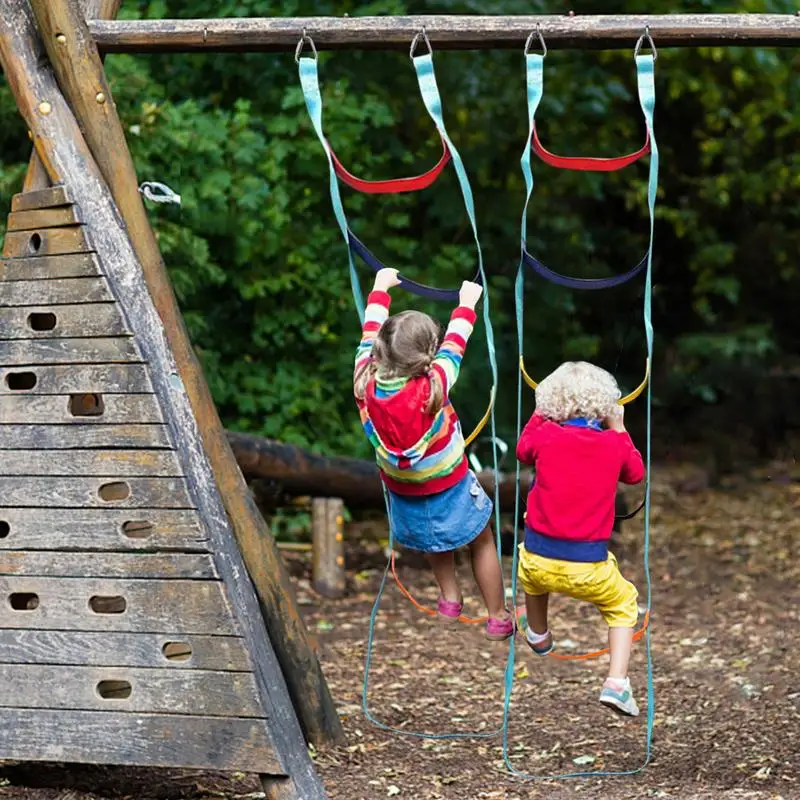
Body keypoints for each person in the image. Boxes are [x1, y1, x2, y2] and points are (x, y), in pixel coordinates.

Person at [354, 267, 513, 641]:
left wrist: (379, 287)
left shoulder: (364, 381)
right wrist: (467, 303)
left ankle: (450, 598)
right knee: (482, 539)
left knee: (434, 540)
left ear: (379, 350)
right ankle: (497, 617)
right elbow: (456, 342)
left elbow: (368, 332)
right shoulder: (434, 385)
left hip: (404, 490)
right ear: (428, 353)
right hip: (450, 486)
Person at [516, 361, 645, 716]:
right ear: (605, 405)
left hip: (536, 559)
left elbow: (523, 450)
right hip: (587, 567)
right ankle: (617, 684)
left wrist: (538, 415)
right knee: (624, 604)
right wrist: (619, 428)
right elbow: (635, 474)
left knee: (533, 576)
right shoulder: (612, 444)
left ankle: (538, 633)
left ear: (551, 403)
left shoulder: (544, 434)